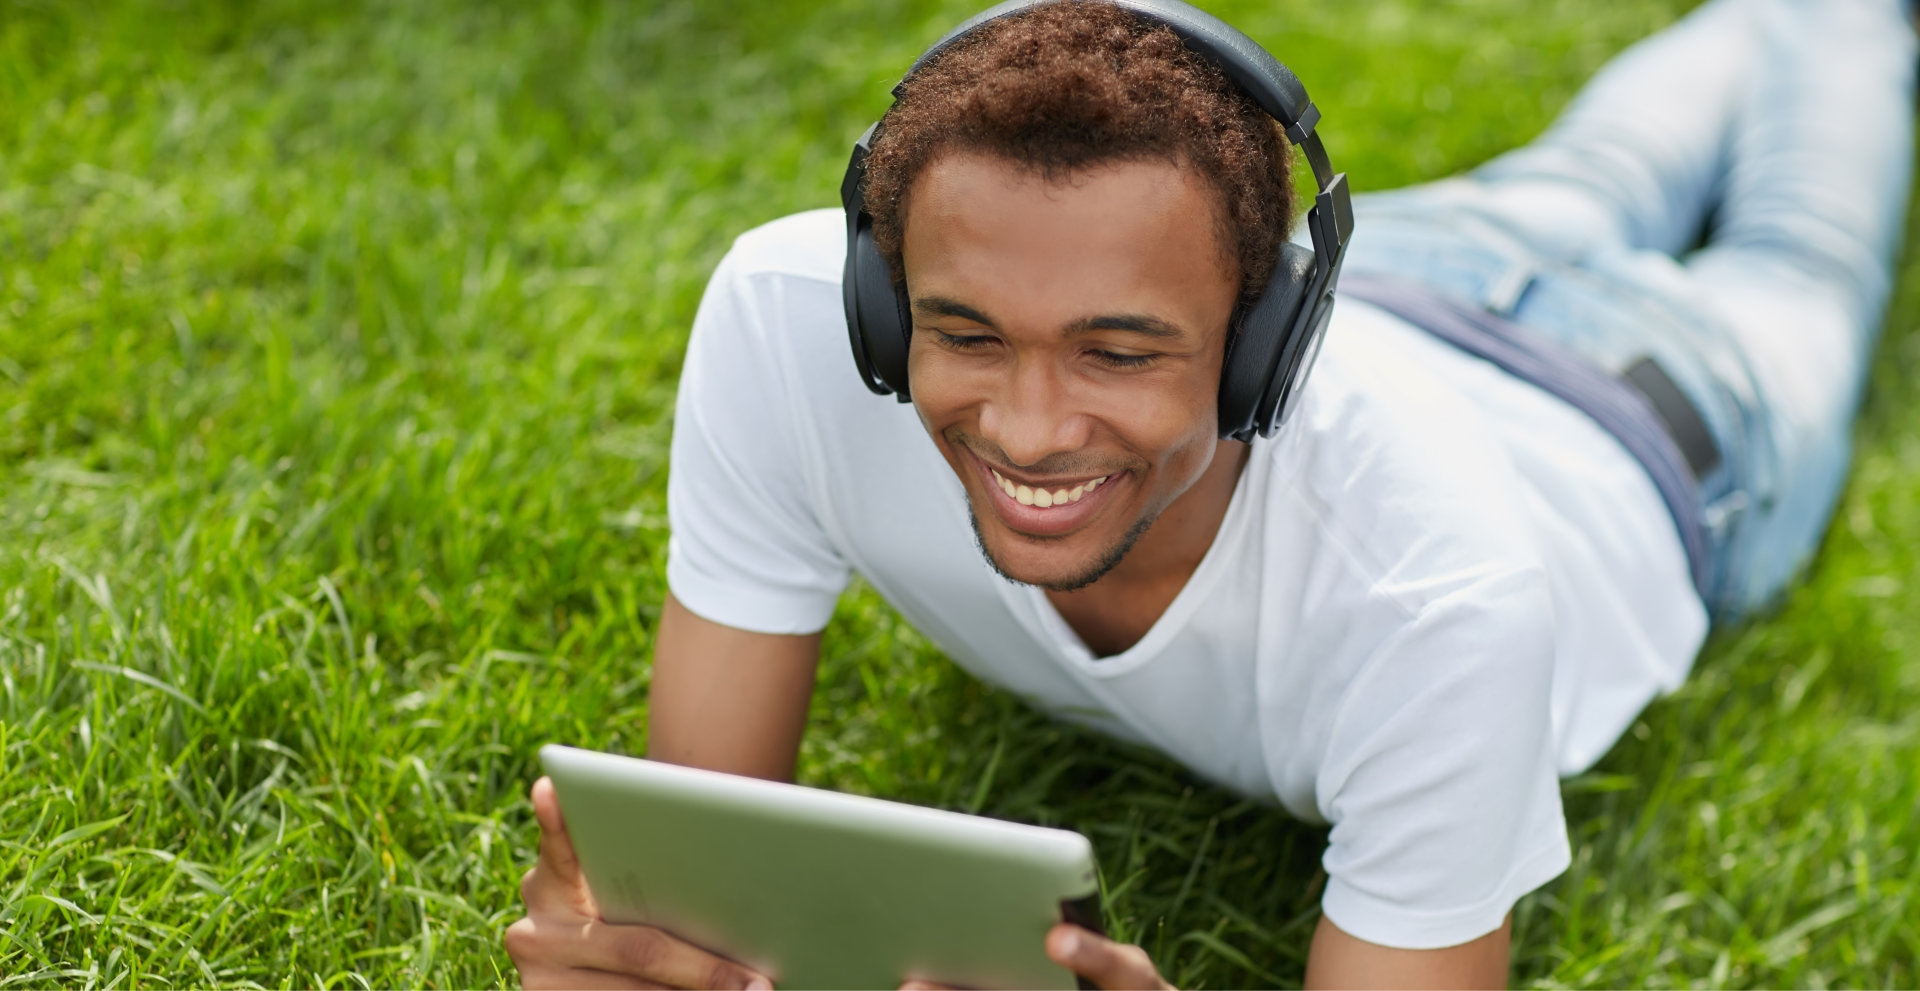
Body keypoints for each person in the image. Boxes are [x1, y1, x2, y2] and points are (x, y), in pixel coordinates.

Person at [504, 0, 1917, 986]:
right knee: (1594, 167)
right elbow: (700, 867)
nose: (1032, 427)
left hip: (1660, 414)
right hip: (1436, 272)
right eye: (969, 333)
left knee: (1809, 206)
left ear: (1264, 346)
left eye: (1118, 355)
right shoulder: (784, 324)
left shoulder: (1441, 599)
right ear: (884, 306)